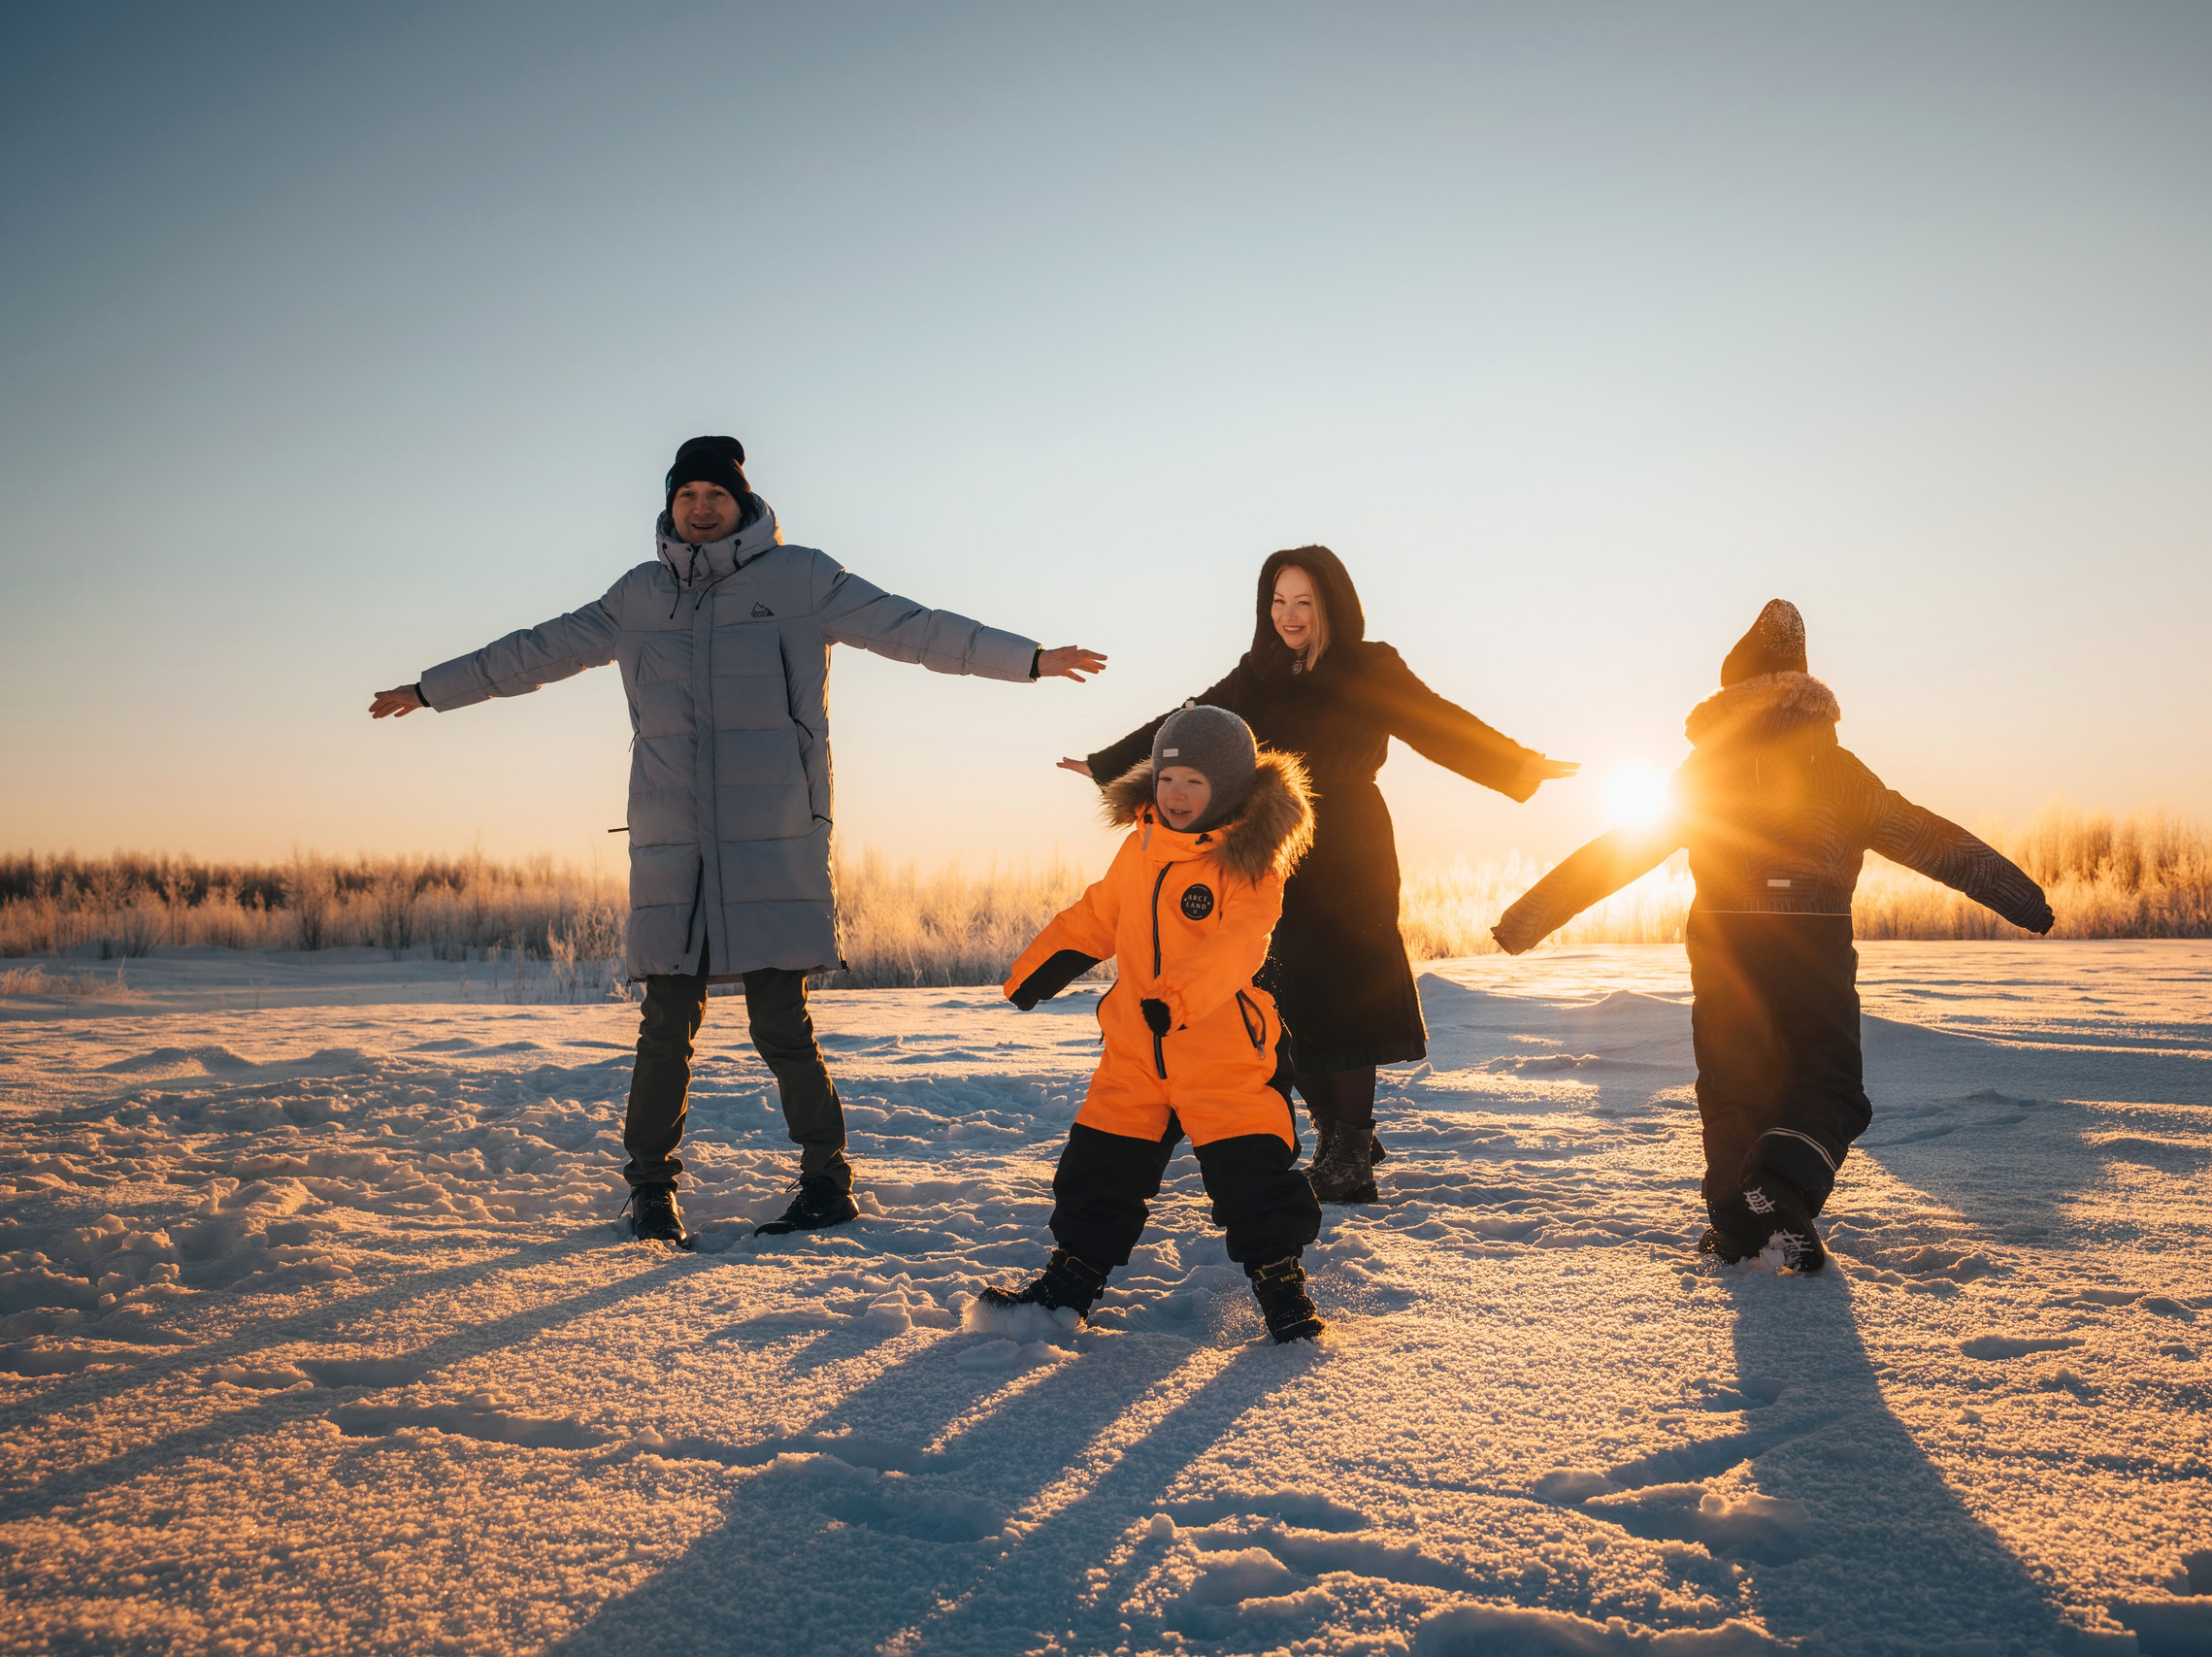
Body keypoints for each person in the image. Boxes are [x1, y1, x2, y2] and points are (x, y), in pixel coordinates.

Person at [369, 435, 1106, 1248]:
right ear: (670, 505)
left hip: (773, 837)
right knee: (664, 1026)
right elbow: (532, 651)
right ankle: (651, 1191)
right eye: (686, 495)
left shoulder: (801, 580)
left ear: (742, 502)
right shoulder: (638, 596)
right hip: (674, 848)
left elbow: (914, 627)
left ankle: (827, 1181)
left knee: (781, 1023)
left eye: (715, 495)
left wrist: (1029, 659)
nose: (700, 508)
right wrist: (430, 690)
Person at [1490, 599, 2055, 1271]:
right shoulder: (1843, 773)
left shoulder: (1704, 775)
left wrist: (1527, 918)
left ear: (1732, 693)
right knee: (1829, 1081)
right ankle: (1780, 1183)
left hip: (1725, 948)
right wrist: (2023, 898)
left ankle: (1738, 1225)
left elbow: (1619, 850)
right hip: (1813, 946)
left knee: (1732, 1085)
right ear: (1805, 686)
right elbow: (1931, 840)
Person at [1065, 547, 1575, 1205]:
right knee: (1276, 991)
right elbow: (1190, 724)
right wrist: (1109, 763)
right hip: (1273, 843)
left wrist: (1519, 764)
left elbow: (1436, 722)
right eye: (1278, 601)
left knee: (1347, 990)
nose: (1289, 615)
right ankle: (1337, 1130)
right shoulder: (1255, 675)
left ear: (1331, 604)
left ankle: (1351, 1151)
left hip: (1352, 843)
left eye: (1304, 601)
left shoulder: (1369, 666)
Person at [992, 705, 1327, 1343]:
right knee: (1099, 1166)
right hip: (1136, 1051)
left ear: (1226, 789)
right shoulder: (1140, 846)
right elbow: (1099, 914)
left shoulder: (1250, 865)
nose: (1175, 794)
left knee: (1251, 1175)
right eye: (1167, 779)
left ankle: (1282, 1287)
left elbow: (1237, 945)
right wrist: (1036, 969)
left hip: (1222, 1054)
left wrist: (1176, 998)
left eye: (1194, 782)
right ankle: (1069, 1283)